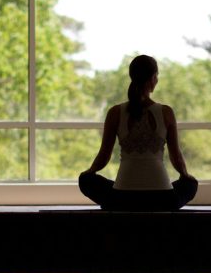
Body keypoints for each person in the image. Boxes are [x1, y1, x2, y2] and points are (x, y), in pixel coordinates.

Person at [79, 55, 198, 211]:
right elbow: (176, 157)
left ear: (132, 77)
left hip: (121, 199)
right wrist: (185, 175)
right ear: (153, 78)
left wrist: (89, 173)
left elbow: (104, 156)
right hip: (163, 200)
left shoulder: (115, 112)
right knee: (191, 184)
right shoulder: (166, 112)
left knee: (85, 180)